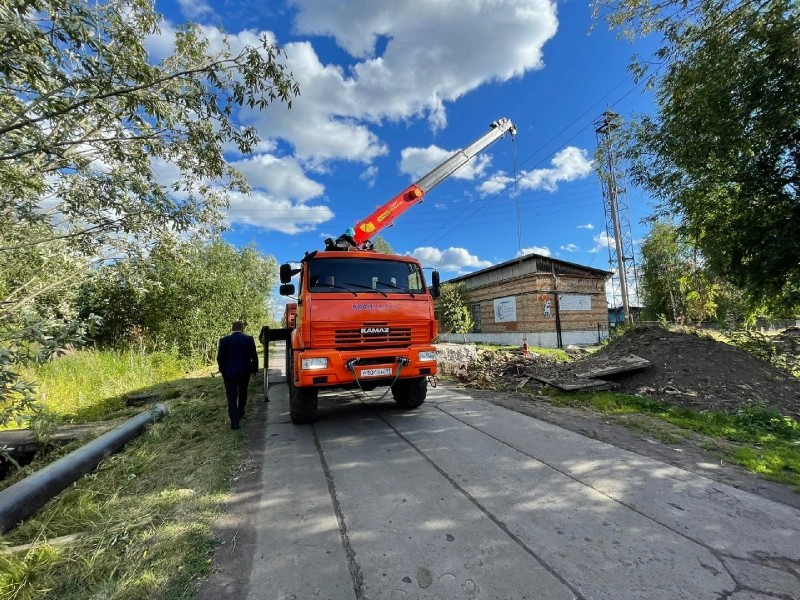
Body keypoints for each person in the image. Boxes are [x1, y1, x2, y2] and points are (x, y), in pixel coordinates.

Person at [217, 321, 259, 430]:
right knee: (243, 392)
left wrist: (222, 370)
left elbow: (220, 358)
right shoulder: (248, 339)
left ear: (232, 328)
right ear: (242, 328)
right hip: (244, 372)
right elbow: (254, 355)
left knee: (231, 398)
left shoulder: (224, 340)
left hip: (229, 373)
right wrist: (254, 369)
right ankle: (241, 412)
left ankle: (234, 423)